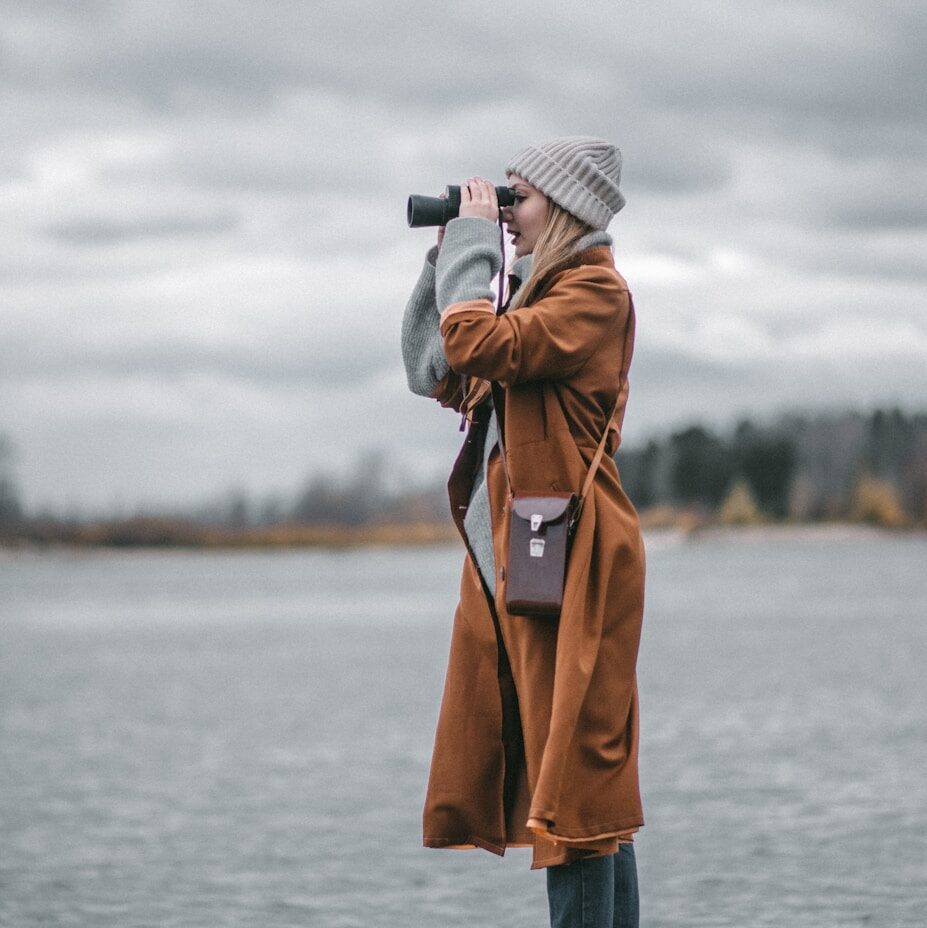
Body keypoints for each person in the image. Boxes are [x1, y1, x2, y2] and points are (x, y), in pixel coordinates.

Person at [401, 136, 645, 928]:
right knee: (569, 776)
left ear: (567, 205)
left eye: (519, 198)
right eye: (500, 200)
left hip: (576, 554)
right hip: (533, 554)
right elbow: (435, 367)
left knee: (573, 786)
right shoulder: (537, 298)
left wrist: (475, 247)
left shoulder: (592, 295)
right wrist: (447, 259)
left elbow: (482, 343)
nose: (506, 216)